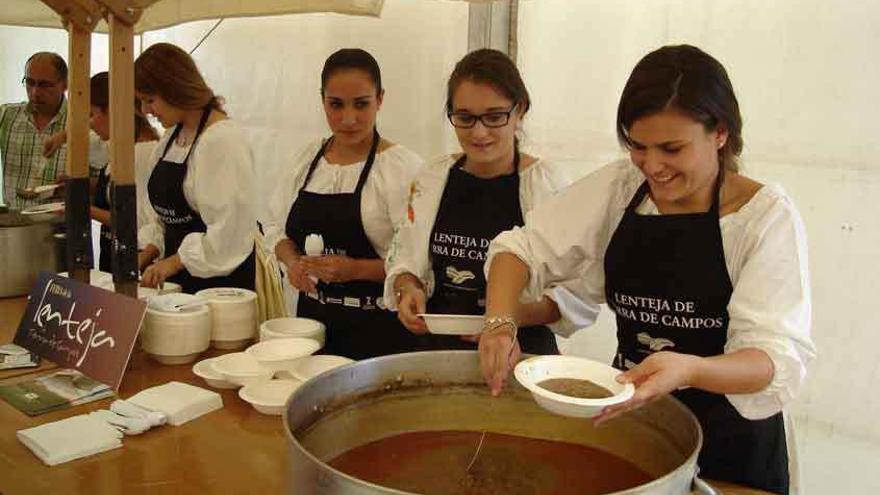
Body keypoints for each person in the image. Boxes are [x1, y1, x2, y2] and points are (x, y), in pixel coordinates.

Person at [479, 45, 816, 494]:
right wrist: (500, 322)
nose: (652, 166)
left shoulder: (763, 217)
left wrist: (691, 369)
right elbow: (518, 248)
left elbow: (771, 360)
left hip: (732, 441)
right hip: (635, 426)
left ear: (719, 133)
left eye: (671, 148)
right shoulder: (622, 189)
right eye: (637, 147)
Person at [384, 49, 570, 354]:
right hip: (437, 350)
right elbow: (403, 257)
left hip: (520, 353)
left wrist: (504, 319)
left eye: (495, 116)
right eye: (465, 118)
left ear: (519, 110)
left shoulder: (546, 185)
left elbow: (572, 294)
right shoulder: (432, 178)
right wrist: (407, 287)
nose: (479, 132)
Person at [263, 49, 424, 360]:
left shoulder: (401, 169)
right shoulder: (305, 161)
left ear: (380, 99)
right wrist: (293, 261)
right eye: (335, 104)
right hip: (311, 328)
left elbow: (419, 263)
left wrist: (355, 270)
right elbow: (274, 227)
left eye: (361, 104)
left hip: (380, 333)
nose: (348, 118)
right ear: (322, 100)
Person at [135, 43, 256, 294]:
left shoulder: (222, 140)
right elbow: (160, 217)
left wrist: (173, 263)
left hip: (219, 286)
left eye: (149, 100)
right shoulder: (171, 138)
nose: (145, 111)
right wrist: (150, 250)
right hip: (180, 281)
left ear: (174, 89)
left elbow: (229, 233)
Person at [86, 72, 159, 272]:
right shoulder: (120, 149)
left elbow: (135, 220)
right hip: (114, 256)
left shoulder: (142, 153)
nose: (90, 124)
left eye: (92, 114)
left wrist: (83, 209)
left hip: (137, 262)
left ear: (113, 111)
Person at [0, 52, 68, 209]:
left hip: (61, 228)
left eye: (45, 85)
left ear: (65, 84)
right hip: (13, 225)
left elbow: (104, 184)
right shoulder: (7, 116)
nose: (35, 92)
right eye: (30, 83)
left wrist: (76, 185)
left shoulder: (81, 124)